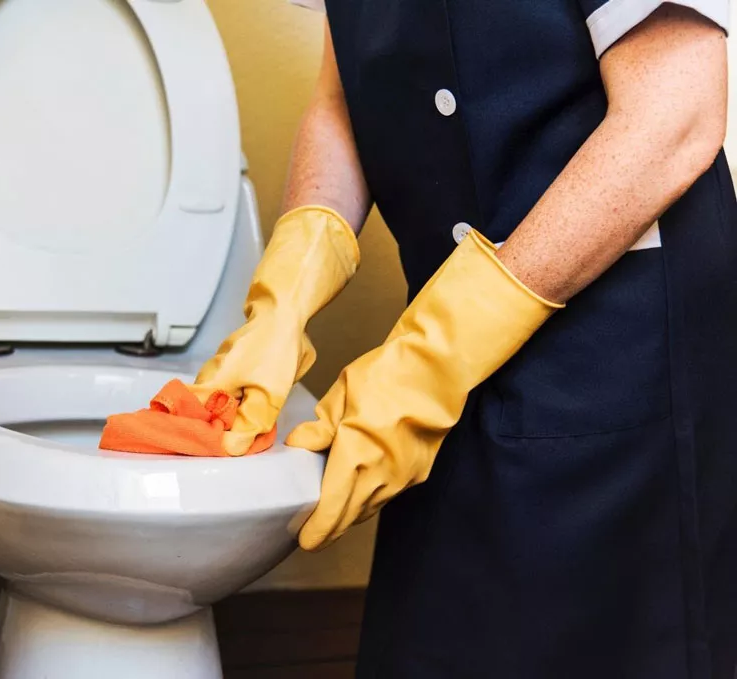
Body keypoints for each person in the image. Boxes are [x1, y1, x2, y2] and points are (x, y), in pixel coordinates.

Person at [192, 1, 737, 676]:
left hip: (617, 351)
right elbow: (342, 101)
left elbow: (675, 115)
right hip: (448, 354)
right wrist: (289, 289)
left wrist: (432, 357)